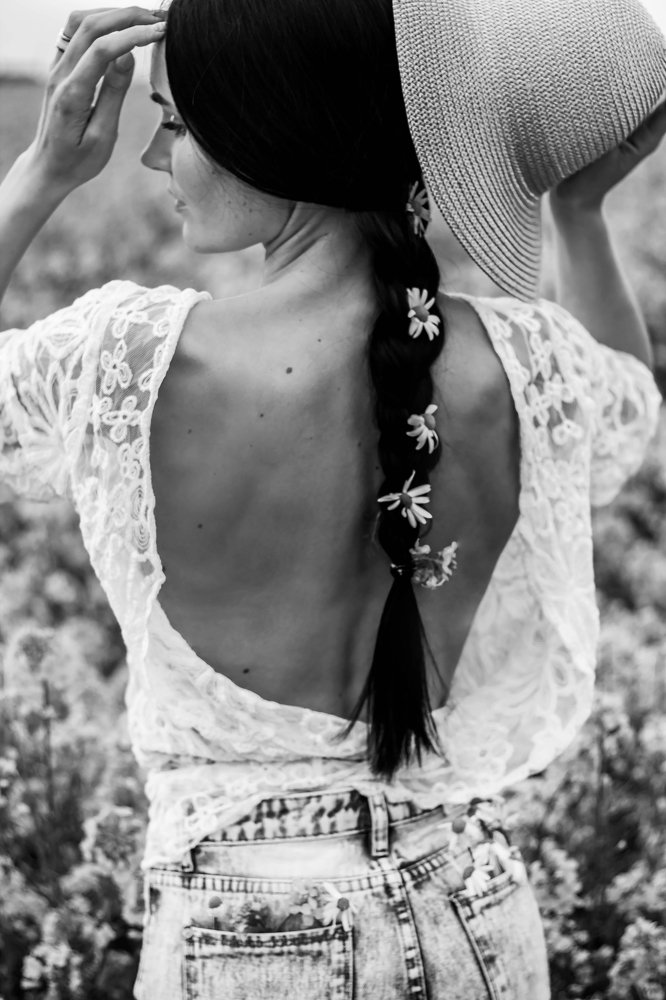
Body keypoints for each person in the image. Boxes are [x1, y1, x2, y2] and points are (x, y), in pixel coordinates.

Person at [1, 0, 665, 996]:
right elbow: (631, 407)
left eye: (174, 125)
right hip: (476, 906)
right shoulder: (530, 362)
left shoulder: (124, 361)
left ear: (272, 130)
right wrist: (579, 214)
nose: (150, 159)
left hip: (250, 931)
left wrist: (40, 173)